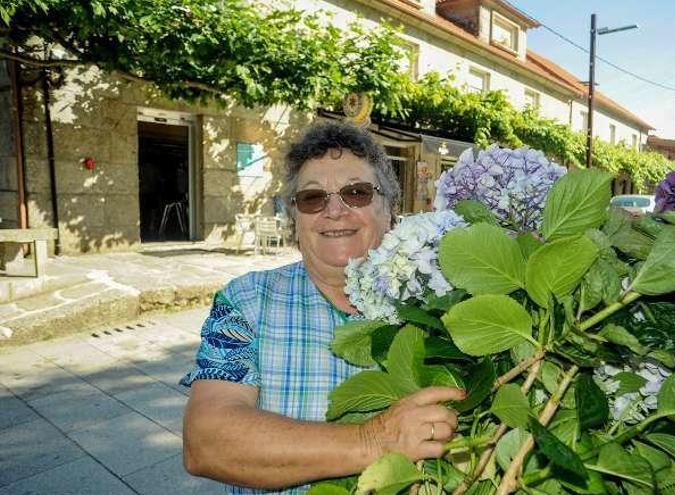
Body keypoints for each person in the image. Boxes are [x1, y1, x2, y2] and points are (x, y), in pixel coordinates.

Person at [180, 122, 465, 494]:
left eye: (357, 193)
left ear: (390, 210)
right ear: (294, 219)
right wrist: (373, 441)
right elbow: (206, 442)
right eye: (312, 198)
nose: (334, 210)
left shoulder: (439, 302)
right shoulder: (247, 302)